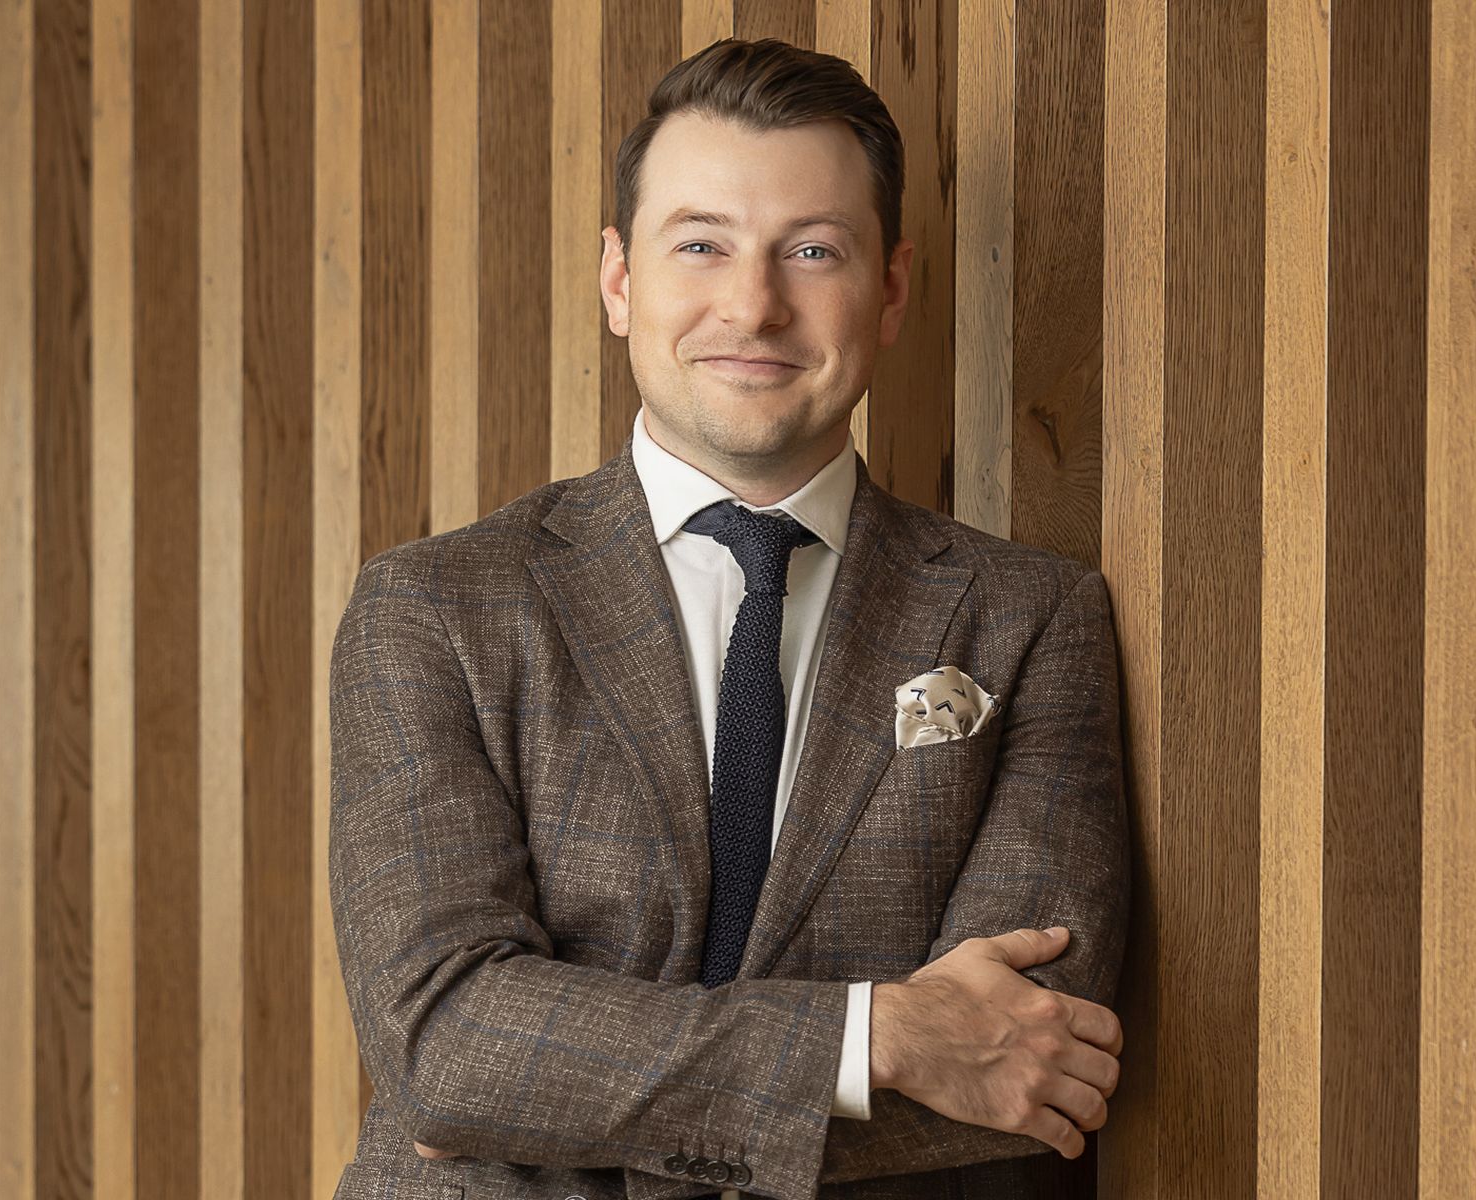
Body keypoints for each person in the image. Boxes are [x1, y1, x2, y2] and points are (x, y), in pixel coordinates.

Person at [328, 37, 1129, 1200]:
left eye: (812, 251)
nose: (753, 306)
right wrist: (875, 1040)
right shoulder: (435, 610)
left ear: (890, 287)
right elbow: (446, 1044)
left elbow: (1030, 1067)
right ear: (618, 281)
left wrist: (545, 1110)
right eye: (700, 245)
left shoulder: (1028, 619)